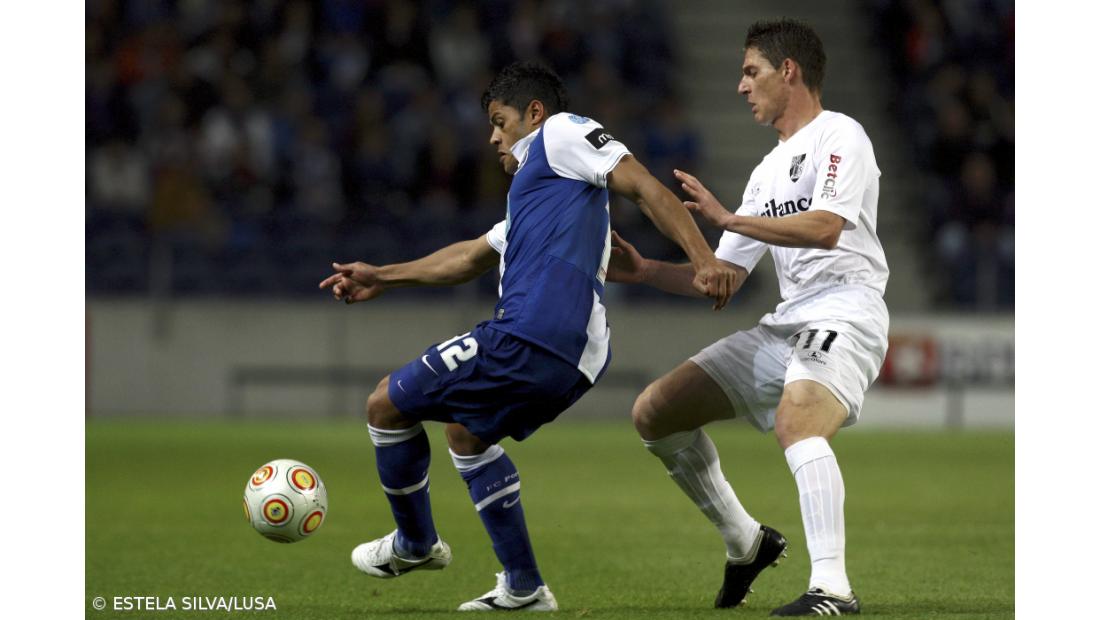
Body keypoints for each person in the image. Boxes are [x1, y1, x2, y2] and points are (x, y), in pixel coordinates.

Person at [319, 61, 735, 612]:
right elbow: (467, 256)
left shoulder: (561, 134)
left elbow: (643, 184)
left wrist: (702, 257)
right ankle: (523, 587)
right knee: (466, 436)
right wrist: (382, 275)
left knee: (383, 405)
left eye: (500, 120)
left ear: (534, 114)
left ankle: (415, 543)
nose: (493, 136)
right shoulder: (540, 197)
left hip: (533, 333)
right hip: (572, 354)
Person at [607, 19, 889, 616]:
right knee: (655, 413)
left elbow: (826, 228)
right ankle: (746, 541)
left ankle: (832, 589)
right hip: (786, 322)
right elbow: (721, 278)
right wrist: (647, 272)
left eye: (750, 71)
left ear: (788, 71)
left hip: (847, 307)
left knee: (799, 422)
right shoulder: (765, 173)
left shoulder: (842, 136)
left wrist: (730, 219)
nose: (741, 86)